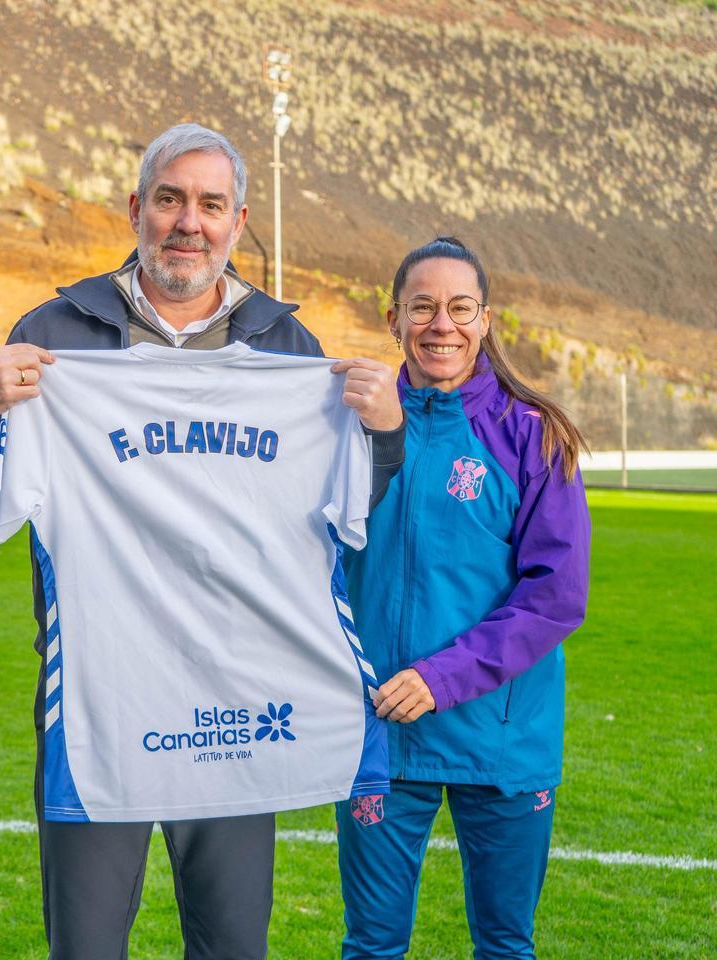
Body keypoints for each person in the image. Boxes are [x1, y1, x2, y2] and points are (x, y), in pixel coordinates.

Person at [0, 123, 405, 960]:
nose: (189, 222)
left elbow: (341, 516)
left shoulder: (288, 348)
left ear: (237, 223)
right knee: (86, 947)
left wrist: (383, 436)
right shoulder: (56, 333)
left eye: (210, 204)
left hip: (237, 698)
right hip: (101, 700)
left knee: (232, 944)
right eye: (170, 199)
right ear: (137, 209)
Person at [336, 236, 591, 959]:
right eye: (422, 307)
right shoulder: (346, 427)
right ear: (393, 319)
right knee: (372, 946)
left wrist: (440, 678)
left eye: (459, 307)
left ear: (485, 320)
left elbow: (555, 597)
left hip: (502, 736)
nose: (440, 324)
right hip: (384, 729)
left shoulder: (533, 435)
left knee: (505, 946)